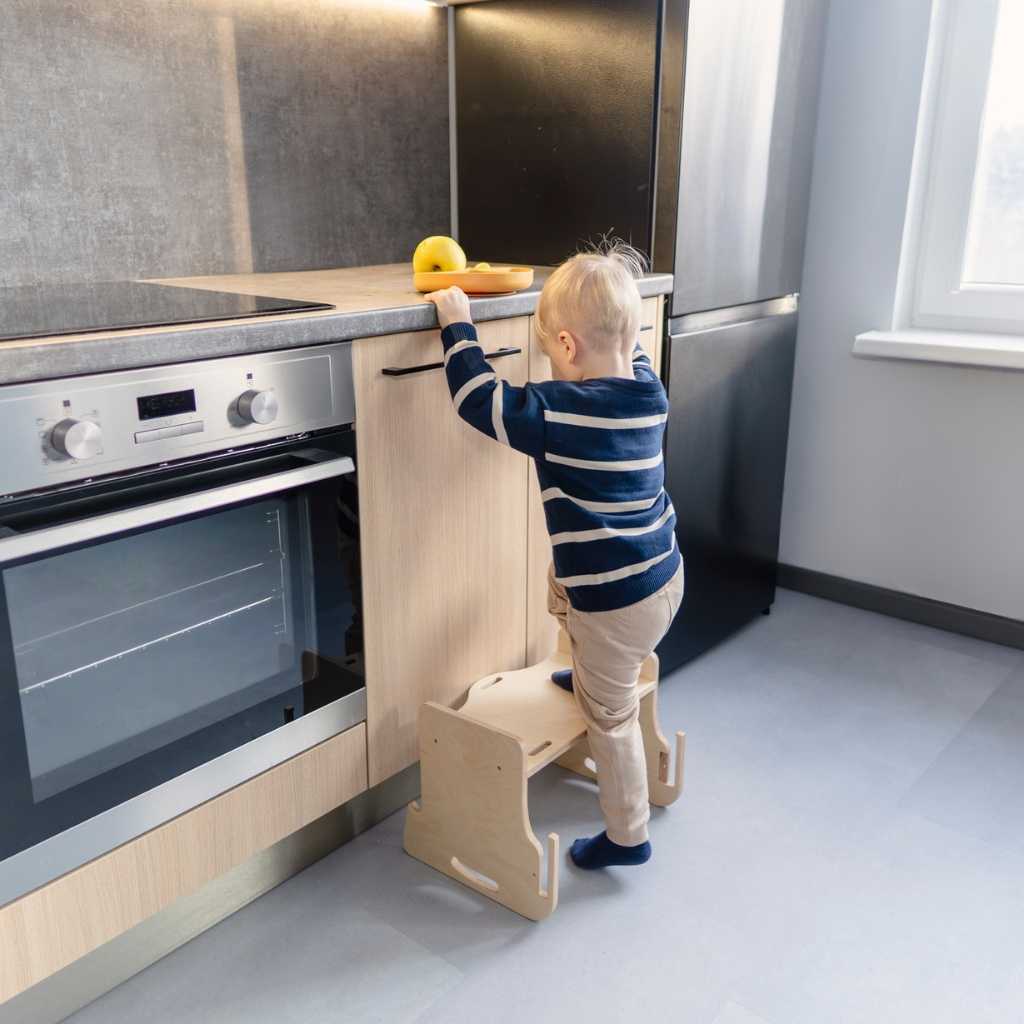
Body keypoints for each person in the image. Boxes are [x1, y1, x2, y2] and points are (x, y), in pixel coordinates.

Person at [425, 242, 683, 870]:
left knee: (610, 717)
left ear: (567, 348)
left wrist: (456, 323)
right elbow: (629, 340)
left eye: (548, 349)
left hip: (613, 604)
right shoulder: (650, 390)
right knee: (559, 582)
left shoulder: (558, 410)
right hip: (662, 576)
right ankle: (590, 669)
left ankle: (628, 836)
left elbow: (477, 398)